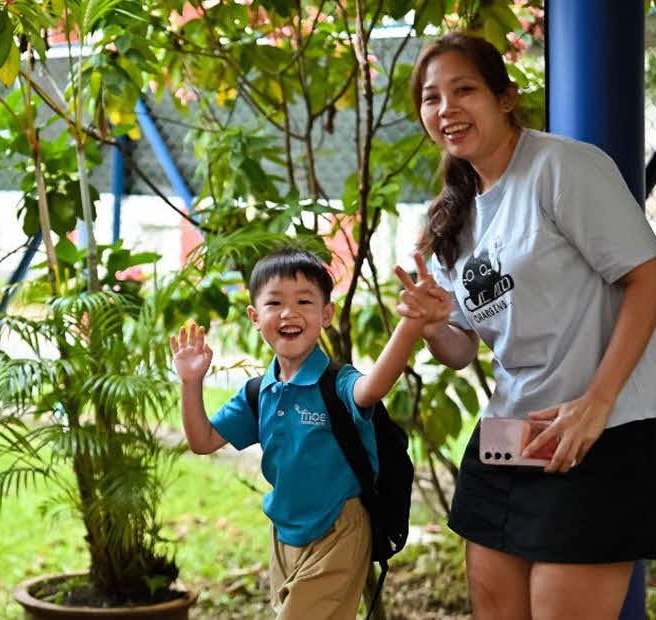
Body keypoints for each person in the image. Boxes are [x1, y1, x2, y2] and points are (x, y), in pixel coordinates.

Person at [397, 32, 656, 619]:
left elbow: (650, 278)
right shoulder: (453, 214)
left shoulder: (562, 167)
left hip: (602, 428)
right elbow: (462, 350)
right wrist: (432, 325)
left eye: (464, 90)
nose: (446, 109)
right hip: (514, 431)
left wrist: (596, 404)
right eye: (431, 98)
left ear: (505, 97)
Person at [170, 247, 449, 620]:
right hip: (284, 532)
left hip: (339, 529)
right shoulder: (258, 392)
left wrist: (410, 325)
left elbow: (372, 388)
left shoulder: (339, 383)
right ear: (255, 317)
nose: (289, 312)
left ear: (326, 314)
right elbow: (202, 441)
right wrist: (191, 382)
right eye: (275, 302)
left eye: (304, 300)